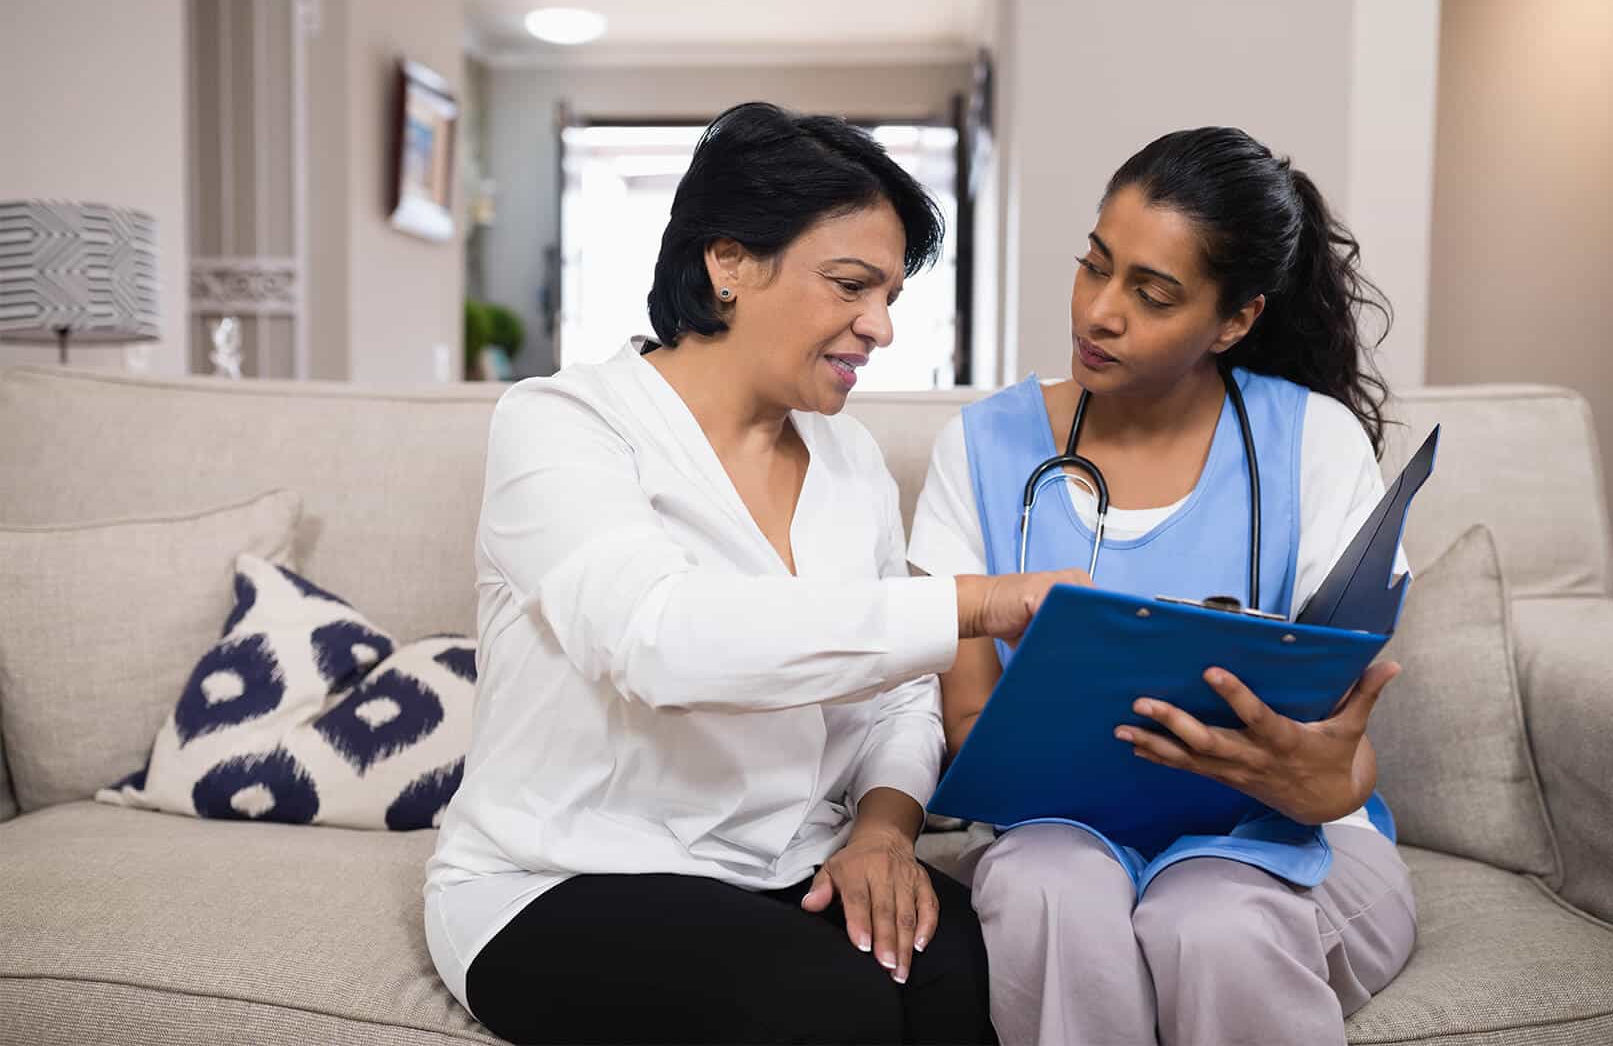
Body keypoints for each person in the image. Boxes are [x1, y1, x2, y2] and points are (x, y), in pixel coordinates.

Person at [423, 101, 1085, 1045]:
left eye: (891, 296)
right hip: (567, 873)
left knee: (968, 975)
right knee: (830, 1009)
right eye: (852, 286)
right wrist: (982, 602)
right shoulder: (565, 424)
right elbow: (658, 639)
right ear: (728, 263)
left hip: (787, 861)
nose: (880, 326)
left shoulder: (848, 464)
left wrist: (884, 833)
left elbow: (898, 699)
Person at [907, 127, 1418, 1045]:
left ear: (1235, 320)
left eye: (1152, 294)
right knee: (1041, 889)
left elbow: (1341, 750)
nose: (1100, 312)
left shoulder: (1315, 443)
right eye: (1094, 265)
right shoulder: (981, 449)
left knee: (1209, 920)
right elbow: (972, 731)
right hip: (1055, 831)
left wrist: (1312, 779)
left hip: (1287, 840)